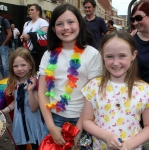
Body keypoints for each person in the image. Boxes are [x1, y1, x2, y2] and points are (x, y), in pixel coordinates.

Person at [38, 3, 102, 148]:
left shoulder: (92, 54)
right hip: (54, 118)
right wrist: (51, 126)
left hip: (83, 120)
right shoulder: (48, 55)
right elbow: (42, 92)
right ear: (53, 29)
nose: (66, 27)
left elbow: (91, 95)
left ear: (80, 24)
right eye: (60, 24)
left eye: (71, 22)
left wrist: (77, 129)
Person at [81, 31, 149, 150]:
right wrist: (106, 136)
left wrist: (129, 144)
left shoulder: (145, 89)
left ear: (133, 55)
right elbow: (86, 120)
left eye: (122, 56)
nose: (116, 62)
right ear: (102, 55)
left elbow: (148, 126)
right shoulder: (93, 86)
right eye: (110, 56)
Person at [1, 47, 43, 150]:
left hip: (34, 122)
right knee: (20, 147)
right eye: (15, 66)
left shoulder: (35, 82)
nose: (19, 69)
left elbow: (34, 108)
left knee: (37, 146)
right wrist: (4, 111)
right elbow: (15, 102)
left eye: (23, 65)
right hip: (19, 122)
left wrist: (29, 91)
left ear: (30, 65)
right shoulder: (13, 83)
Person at [130, 1, 149, 128]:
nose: (135, 22)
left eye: (139, 18)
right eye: (133, 19)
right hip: (140, 96)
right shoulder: (131, 42)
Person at [20, 3, 49, 72]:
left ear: (38, 12)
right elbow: (23, 33)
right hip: (26, 51)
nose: (30, 11)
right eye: (29, 10)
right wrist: (22, 36)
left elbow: (44, 36)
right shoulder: (26, 23)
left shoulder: (43, 22)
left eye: (32, 10)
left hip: (37, 53)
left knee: (36, 71)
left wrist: (30, 35)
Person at [0, 10, 12, 78]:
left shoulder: (4, 20)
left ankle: (7, 80)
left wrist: (3, 44)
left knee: (5, 65)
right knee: (0, 65)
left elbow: (10, 33)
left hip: (3, 46)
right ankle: (4, 79)